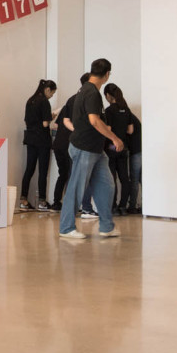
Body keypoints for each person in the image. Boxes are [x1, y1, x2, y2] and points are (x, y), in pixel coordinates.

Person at [59, 60, 125, 241]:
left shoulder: (87, 90)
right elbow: (94, 120)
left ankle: (107, 226)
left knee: (107, 185)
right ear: (107, 74)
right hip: (84, 148)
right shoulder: (91, 92)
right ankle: (66, 228)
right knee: (76, 187)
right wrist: (115, 138)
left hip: (95, 149)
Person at [19, 80, 56, 211]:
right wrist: (51, 116)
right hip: (42, 140)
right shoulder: (44, 102)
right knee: (42, 171)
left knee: (29, 169)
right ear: (47, 89)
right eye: (52, 93)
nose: (51, 96)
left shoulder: (30, 100)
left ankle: (23, 200)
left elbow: (28, 120)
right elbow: (45, 124)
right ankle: (42, 202)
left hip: (30, 138)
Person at [103, 83, 140, 214]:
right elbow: (130, 130)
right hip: (123, 148)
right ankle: (123, 206)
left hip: (112, 147)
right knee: (125, 178)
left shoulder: (109, 111)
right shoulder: (126, 109)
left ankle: (113, 207)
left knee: (112, 178)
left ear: (108, 95)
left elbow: (108, 130)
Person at [50, 74, 85, 210]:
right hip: (69, 145)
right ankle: (71, 204)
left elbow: (56, 125)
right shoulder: (81, 103)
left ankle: (56, 202)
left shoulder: (67, 105)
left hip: (58, 145)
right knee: (72, 174)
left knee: (63, 174)